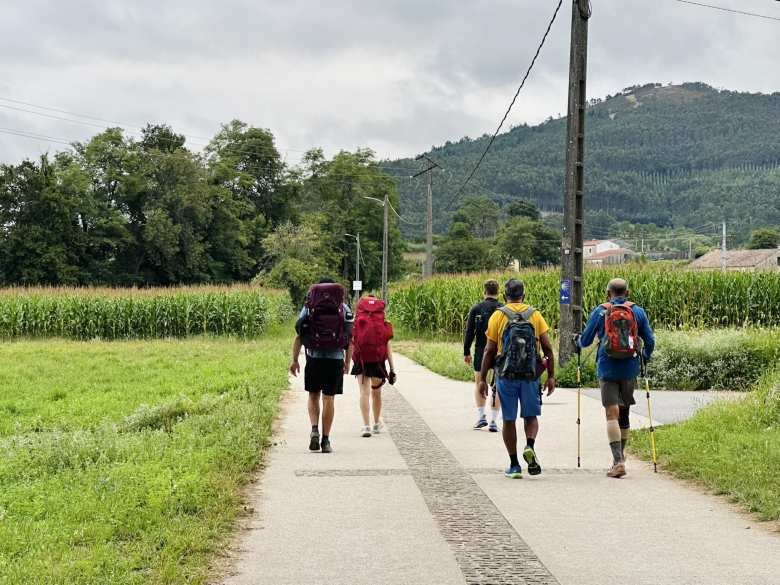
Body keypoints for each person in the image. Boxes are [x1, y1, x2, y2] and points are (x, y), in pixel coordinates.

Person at [576, 277, 655, 478]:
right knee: (624, 413)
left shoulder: (600, 311)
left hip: (607, 367)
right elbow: (650, 340)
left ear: (608, 293)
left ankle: (618, 461)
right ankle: (619, 458)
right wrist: (643, 358)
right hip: (630, 367)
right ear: (627, 293)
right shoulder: (637, 311)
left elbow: (585, 341)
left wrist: (577, 339)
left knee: (611, 413)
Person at [479, 279, 555, 479]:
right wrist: (551, 376)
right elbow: (547, 347)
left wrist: (482, 378)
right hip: (530, 376)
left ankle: (514, 465)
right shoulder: (535, 315)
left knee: (509, 420)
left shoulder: (498, 316)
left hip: (506, 375)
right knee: (531, 417)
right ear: (524, 295)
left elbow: (489, 350)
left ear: (505, 296)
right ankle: (529, 445)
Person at [289, 279, 354, 454]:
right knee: (329, 399)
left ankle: (314, 429)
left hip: (314, 358)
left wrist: (295, 360)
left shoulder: (309, 307)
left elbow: (299, 335)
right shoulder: (343, 308)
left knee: (313, 395)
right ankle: (326, 441)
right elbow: (350, 338)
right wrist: (347, 362)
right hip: (335, 359)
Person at [350, 295, 396, 437]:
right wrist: (392, 369)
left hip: (361, 360)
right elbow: (388, 347)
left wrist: (350, 361)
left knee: (364, 393)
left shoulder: (356, 322)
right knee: (376, 393)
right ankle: (376, 424)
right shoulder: (383, 323)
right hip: (377, 360)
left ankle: (366, 426)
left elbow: (352, 342)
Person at [463, 279, 502, 431]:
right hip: (499, 352)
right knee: (497, 386)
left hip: (481, 350)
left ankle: (481, 417)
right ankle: (493, 421)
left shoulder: (476, 308)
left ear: (484, 292)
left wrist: (466, 352)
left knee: (480, 382)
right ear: (498, 293)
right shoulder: (503, 309)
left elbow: (469, 333)